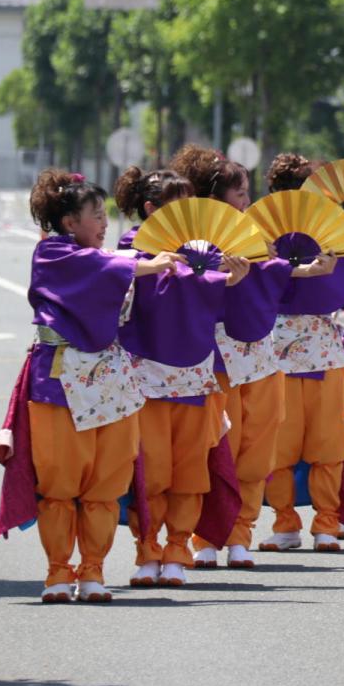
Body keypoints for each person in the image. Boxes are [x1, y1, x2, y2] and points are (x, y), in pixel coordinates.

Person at [0, 169, 182, 602]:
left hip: (111, 380)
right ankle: (59, 572)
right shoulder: (53, 254)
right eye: (94, 215)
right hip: (58, 382)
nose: (103, 222)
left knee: (106, 482)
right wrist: (144, 264)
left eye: (104, 214)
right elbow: (99, 267)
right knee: (60, 484)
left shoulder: (109, 259)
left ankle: (94, 570)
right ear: (68, 222)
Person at [168, 146, 333, 569]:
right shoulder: (191, 238)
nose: (246, 201)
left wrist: (306, 270)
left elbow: (269, 268)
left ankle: (241, 533)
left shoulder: (254, 231)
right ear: (215, 196)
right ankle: (205, 538)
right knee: (216, 451)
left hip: (259, 355)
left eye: (245, 193)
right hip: (216, 359)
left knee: (256, 452)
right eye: (239, 193)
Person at [116, 168, 249, 588]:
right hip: (147, 380)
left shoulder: (205, 249)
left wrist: (233, 280)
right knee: (151, 471)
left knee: (190, 471)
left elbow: (219, 301)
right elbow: (135, 293)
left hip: (194, 376)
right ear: (152, 209)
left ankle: (177, 549)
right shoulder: (131, 249)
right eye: (178, 206)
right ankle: (147, 550)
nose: (189, 214)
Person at [258, 153, 344, 553]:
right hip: (292, 349)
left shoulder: (332, 227)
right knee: (301, 446)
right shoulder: (264, 227)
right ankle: (302, 524)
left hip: (311, 347)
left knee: (316, 445)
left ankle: (312, 524)